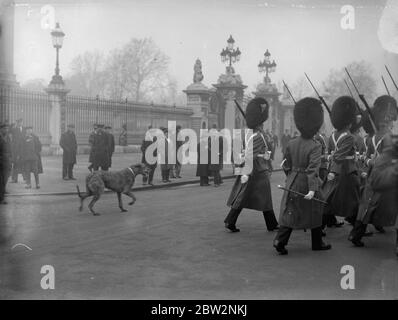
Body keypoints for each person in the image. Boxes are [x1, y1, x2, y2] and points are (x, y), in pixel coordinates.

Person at [274, 97, 331, 255]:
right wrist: (313, 189)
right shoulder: (315, 145)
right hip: (308, 182)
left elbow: (285, 164)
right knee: (316, 210)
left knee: (291, 209)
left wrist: (290, 176)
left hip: (293, 179)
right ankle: (317, 242)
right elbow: (313, 170)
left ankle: (280, 240)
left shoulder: (292, 143)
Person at [349, 95, 398, 247]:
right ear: (387, 122)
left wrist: (370, 163)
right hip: (385, 176)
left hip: (372, 175)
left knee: (367, 204)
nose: (391, 124)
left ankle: (356, 234)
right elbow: (387, 159)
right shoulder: (389, 138)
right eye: (390, 122)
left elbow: (366, 157)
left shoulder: (372, 138)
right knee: (387, 205)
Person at [224, 97, 279, 233]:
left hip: (252, 170)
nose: (263, 126)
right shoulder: (258, 137)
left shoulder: (248, 135)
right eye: (261, 124)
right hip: (257, 171)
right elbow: (251, 156)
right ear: (259, 123)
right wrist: (246, 173)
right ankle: (231, 220)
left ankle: (232, 221)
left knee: (245, 196)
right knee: (256, 197)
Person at [321, 96, 360, 230]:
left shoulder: (332, 135)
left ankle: (323, 223)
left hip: (334, 169)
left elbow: (331, 154)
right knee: (354, 198)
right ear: (349, 121)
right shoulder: (349, 137)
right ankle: (357, 229)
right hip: (347, 171)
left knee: (331, 197)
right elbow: (339, 156)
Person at [10, 118, 25, 183]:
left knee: (24, 165)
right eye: (19, 122)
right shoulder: (14, 129)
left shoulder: (24, 129)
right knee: (15, 165)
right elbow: (10, 131)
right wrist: (13, 124)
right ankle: (14, 179)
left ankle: (26, 178)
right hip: (16, 150)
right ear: (17, 123)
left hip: (23, 150)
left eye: (21, 122)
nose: (20, 123)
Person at [0, 123, 11, 204]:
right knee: (1, 180)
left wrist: (11, 158)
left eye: (7, 129)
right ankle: (1, 198)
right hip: (1, 160)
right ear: (1, 129)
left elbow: (10, 148)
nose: (6, 130)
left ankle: (2, 196)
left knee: (5, 179)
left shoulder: (8, 137)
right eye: (5, 128)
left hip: (7, 161)